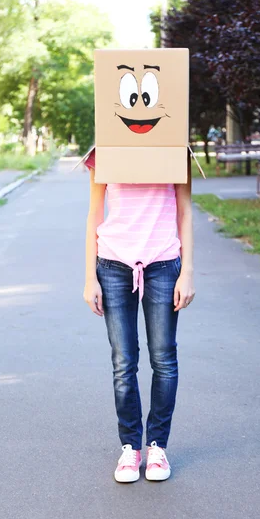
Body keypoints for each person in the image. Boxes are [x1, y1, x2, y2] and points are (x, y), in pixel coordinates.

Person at [83, 148, 195, 483]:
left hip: (163, 264)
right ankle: (130, 447)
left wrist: (187, 271)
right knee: (123, 361)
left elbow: (185, 211)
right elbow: (94, 214)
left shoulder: (175, 149)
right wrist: (90, 277)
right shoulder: (103, 152)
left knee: (163, 358)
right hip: (113, 265)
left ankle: (157, 446)